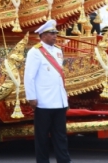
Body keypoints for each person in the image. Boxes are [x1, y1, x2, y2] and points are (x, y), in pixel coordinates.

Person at [24, 19, 72, 163]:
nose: (55, 36)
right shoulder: (35, 52)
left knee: (61, 136)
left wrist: (65, 98)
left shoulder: (58, 51)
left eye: (55, 33)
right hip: (44, 102)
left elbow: (59, 77)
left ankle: (64, 161)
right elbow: (29, 76)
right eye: (51, 33)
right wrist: (31, 97)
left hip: (59, 101)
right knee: (42, 137)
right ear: (43, 35)